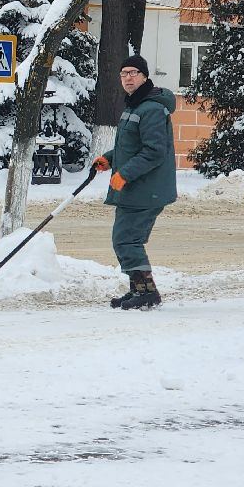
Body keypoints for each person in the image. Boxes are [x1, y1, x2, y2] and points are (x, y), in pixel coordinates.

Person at [92, 54, 177, 310]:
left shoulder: (151, 108)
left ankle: (146, 291)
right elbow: (130, 146)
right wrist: (108, 159)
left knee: (126, 240)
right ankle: (138, 288)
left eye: (133, 73)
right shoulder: (135, 106)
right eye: (124, 73)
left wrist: (125, 173)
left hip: (146, 188)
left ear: (144, 77)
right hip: (136, 189)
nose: (128, 78)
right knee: (125, 238)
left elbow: (154, 151)